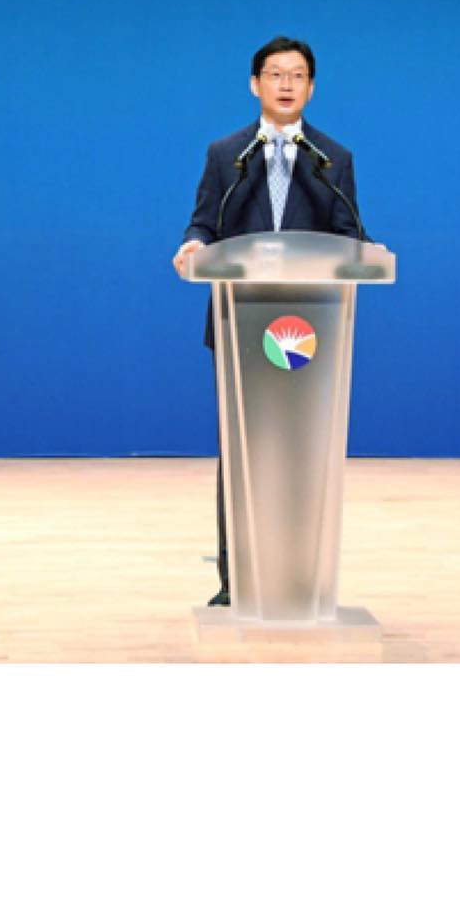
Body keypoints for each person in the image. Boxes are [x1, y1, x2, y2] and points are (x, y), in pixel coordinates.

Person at [172, 36, 363, 607]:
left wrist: (367, 250)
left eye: (297, 75)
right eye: (275, 74)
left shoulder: (333, 158)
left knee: (305, 451)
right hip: (241, 324)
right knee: (241, 452)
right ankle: (236, 580)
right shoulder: (226, 154)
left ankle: (302, 579)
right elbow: (204, 222)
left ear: (311, 88)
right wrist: (193, 244)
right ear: (255, 84)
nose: (286, 84)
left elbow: (350, 234)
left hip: (310, 330)